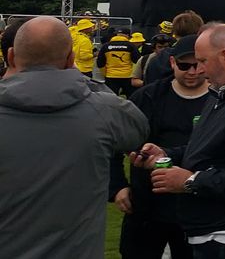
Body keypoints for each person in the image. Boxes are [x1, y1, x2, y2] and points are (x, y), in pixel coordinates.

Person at [129, 23, 225, 259]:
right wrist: (165, 154)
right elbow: (208, 148)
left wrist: (191, 181)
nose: (198, 70)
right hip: (210, 226)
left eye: (202, 61)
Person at [0, 17, 148, 259]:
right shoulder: (104, 110)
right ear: (71, 59)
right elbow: (138, 130)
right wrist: (82, 82)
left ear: (11, 57)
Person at [111, 34, 214, 259]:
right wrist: (117, 186)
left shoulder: (219, 101)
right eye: (184, 65)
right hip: (146, 206)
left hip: (198, 208)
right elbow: (113, 144)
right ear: (172, 63)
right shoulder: (147, 97)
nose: (192, 71)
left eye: (199, 65)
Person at [98, 27, 140, 97]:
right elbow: (137, 61)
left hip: (111, 76)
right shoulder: (131, 46)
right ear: (128, 35)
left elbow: (100, 63)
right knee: (132, 97)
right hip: (127, 76)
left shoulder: (106, 46)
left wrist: (105, 74)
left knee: (111, 98)